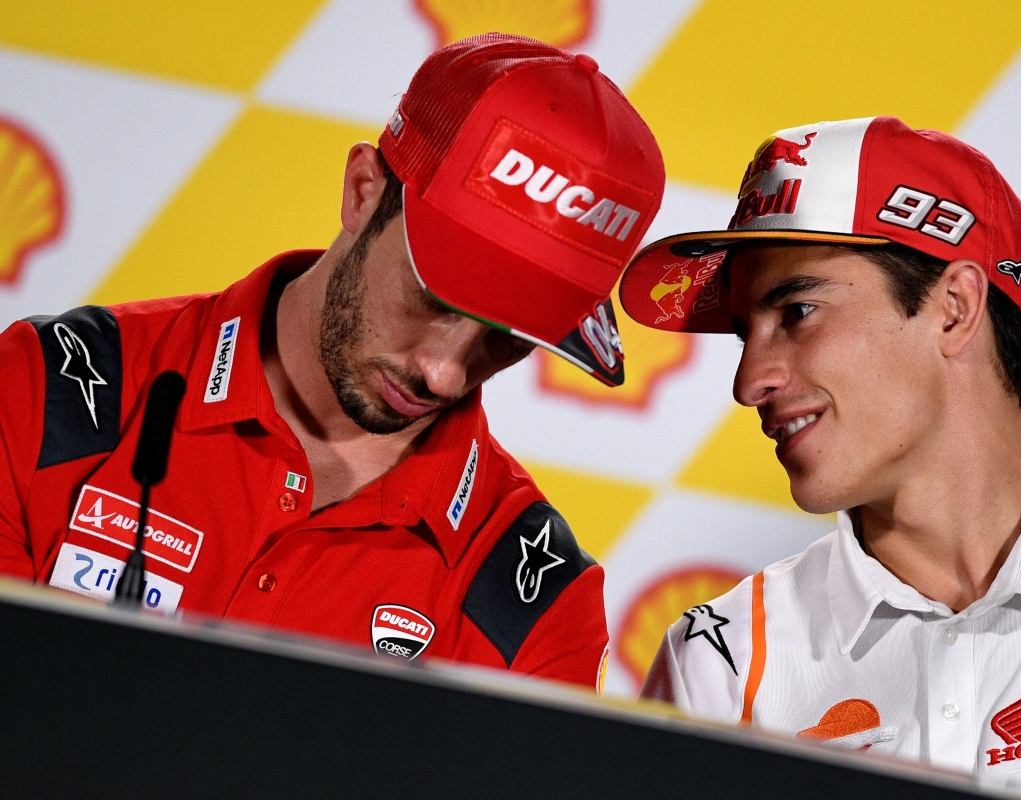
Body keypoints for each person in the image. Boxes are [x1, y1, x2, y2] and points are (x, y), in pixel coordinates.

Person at [0, 33, 664, 690]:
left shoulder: (540, 611)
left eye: (510, 336)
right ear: (363, 191)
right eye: (434, 296)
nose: (445, 373)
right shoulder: (37, 391)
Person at [619, 115, 1021, 797]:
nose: (750, 383)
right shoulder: (721, 661)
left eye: (798, 312)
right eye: (745, 334)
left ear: (954, 307)